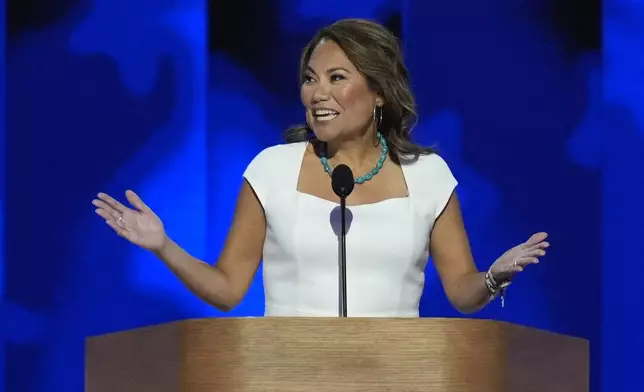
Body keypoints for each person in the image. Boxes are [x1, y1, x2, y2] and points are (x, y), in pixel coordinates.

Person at [92, 19, 549, 317]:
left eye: (336, 78)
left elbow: (461, 291)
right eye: (310, 79)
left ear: (379, 93)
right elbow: (229, 288)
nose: (317, 93)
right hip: (288, 376)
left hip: (395, 377)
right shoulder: (270, 170)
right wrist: (163, 245)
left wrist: (494, 276)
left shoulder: (427, 174)